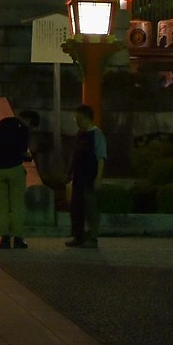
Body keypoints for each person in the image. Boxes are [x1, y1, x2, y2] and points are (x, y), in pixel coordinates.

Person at [0, 107, 37, 250]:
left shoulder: (3, 122)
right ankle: (18, 239)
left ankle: (4, 239)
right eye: (32, 125)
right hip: (14, 169)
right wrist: (27, 157)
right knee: (17, 205)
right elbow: (22, 150)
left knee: (3, 206)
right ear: (29, 120)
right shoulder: (23, 128)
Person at [65, 103, 107, 249]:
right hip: (78, 177)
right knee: (76, 208)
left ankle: (93, 237)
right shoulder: (80, 134)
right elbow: (74, 155)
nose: (77, 122)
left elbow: (101, 157)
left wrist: (98, 178)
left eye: (79, 119)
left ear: (86, 118)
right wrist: (69, 173)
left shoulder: (96, 134)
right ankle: (78, 236)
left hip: (90, 176)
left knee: (91, 208)